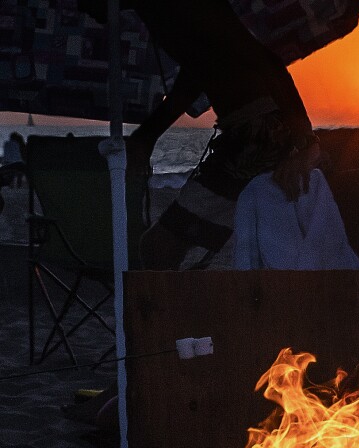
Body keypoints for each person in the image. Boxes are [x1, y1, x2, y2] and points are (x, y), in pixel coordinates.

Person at [80, 0, 323, 270]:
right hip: (252, 135)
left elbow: (264, 62)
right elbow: (198, 70)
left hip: (258, 137)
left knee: (159, 249)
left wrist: (306, 142)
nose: (79, 6)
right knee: (259, 253)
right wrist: (147, 136)